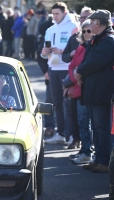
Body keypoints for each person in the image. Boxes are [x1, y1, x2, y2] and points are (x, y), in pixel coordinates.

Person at [74, 10, 114, 173]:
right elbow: (88, 60)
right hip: (93, 89)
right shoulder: (98, 39)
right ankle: (98, 158)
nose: (89, 24)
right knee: (97, 128)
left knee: (101, 127)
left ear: (98, 23)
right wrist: (79, 70)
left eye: (91, 21)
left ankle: (104, 161)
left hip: (101, 91)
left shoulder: (109, 41)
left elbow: (94, 63)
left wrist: (79, 71)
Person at [41, 2, 78, 145]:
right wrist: (44, 53)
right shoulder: (50, 29)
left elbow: (78, 50)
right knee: (56, 103)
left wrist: (63, 52)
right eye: (53, 14)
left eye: (57, 13)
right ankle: (61, 133)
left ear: (64, 13)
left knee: (68, 103)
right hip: (53, 68)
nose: (55, 16)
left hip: (67, 69)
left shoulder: (73, 27)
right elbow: (46, 50)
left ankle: (72, 135)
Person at [62, 19, 94, 163]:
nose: (87, 33)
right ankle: (84, 150)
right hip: (77, 89)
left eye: (90, 30)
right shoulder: (81, 47)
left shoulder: (92, 48)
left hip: (86, 90)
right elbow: (72, 67)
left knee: (86, 123)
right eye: (85, 31)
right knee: (81, 123)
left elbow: (81, 70)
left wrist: (69, 81)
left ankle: (87, 152)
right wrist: (69, 82)